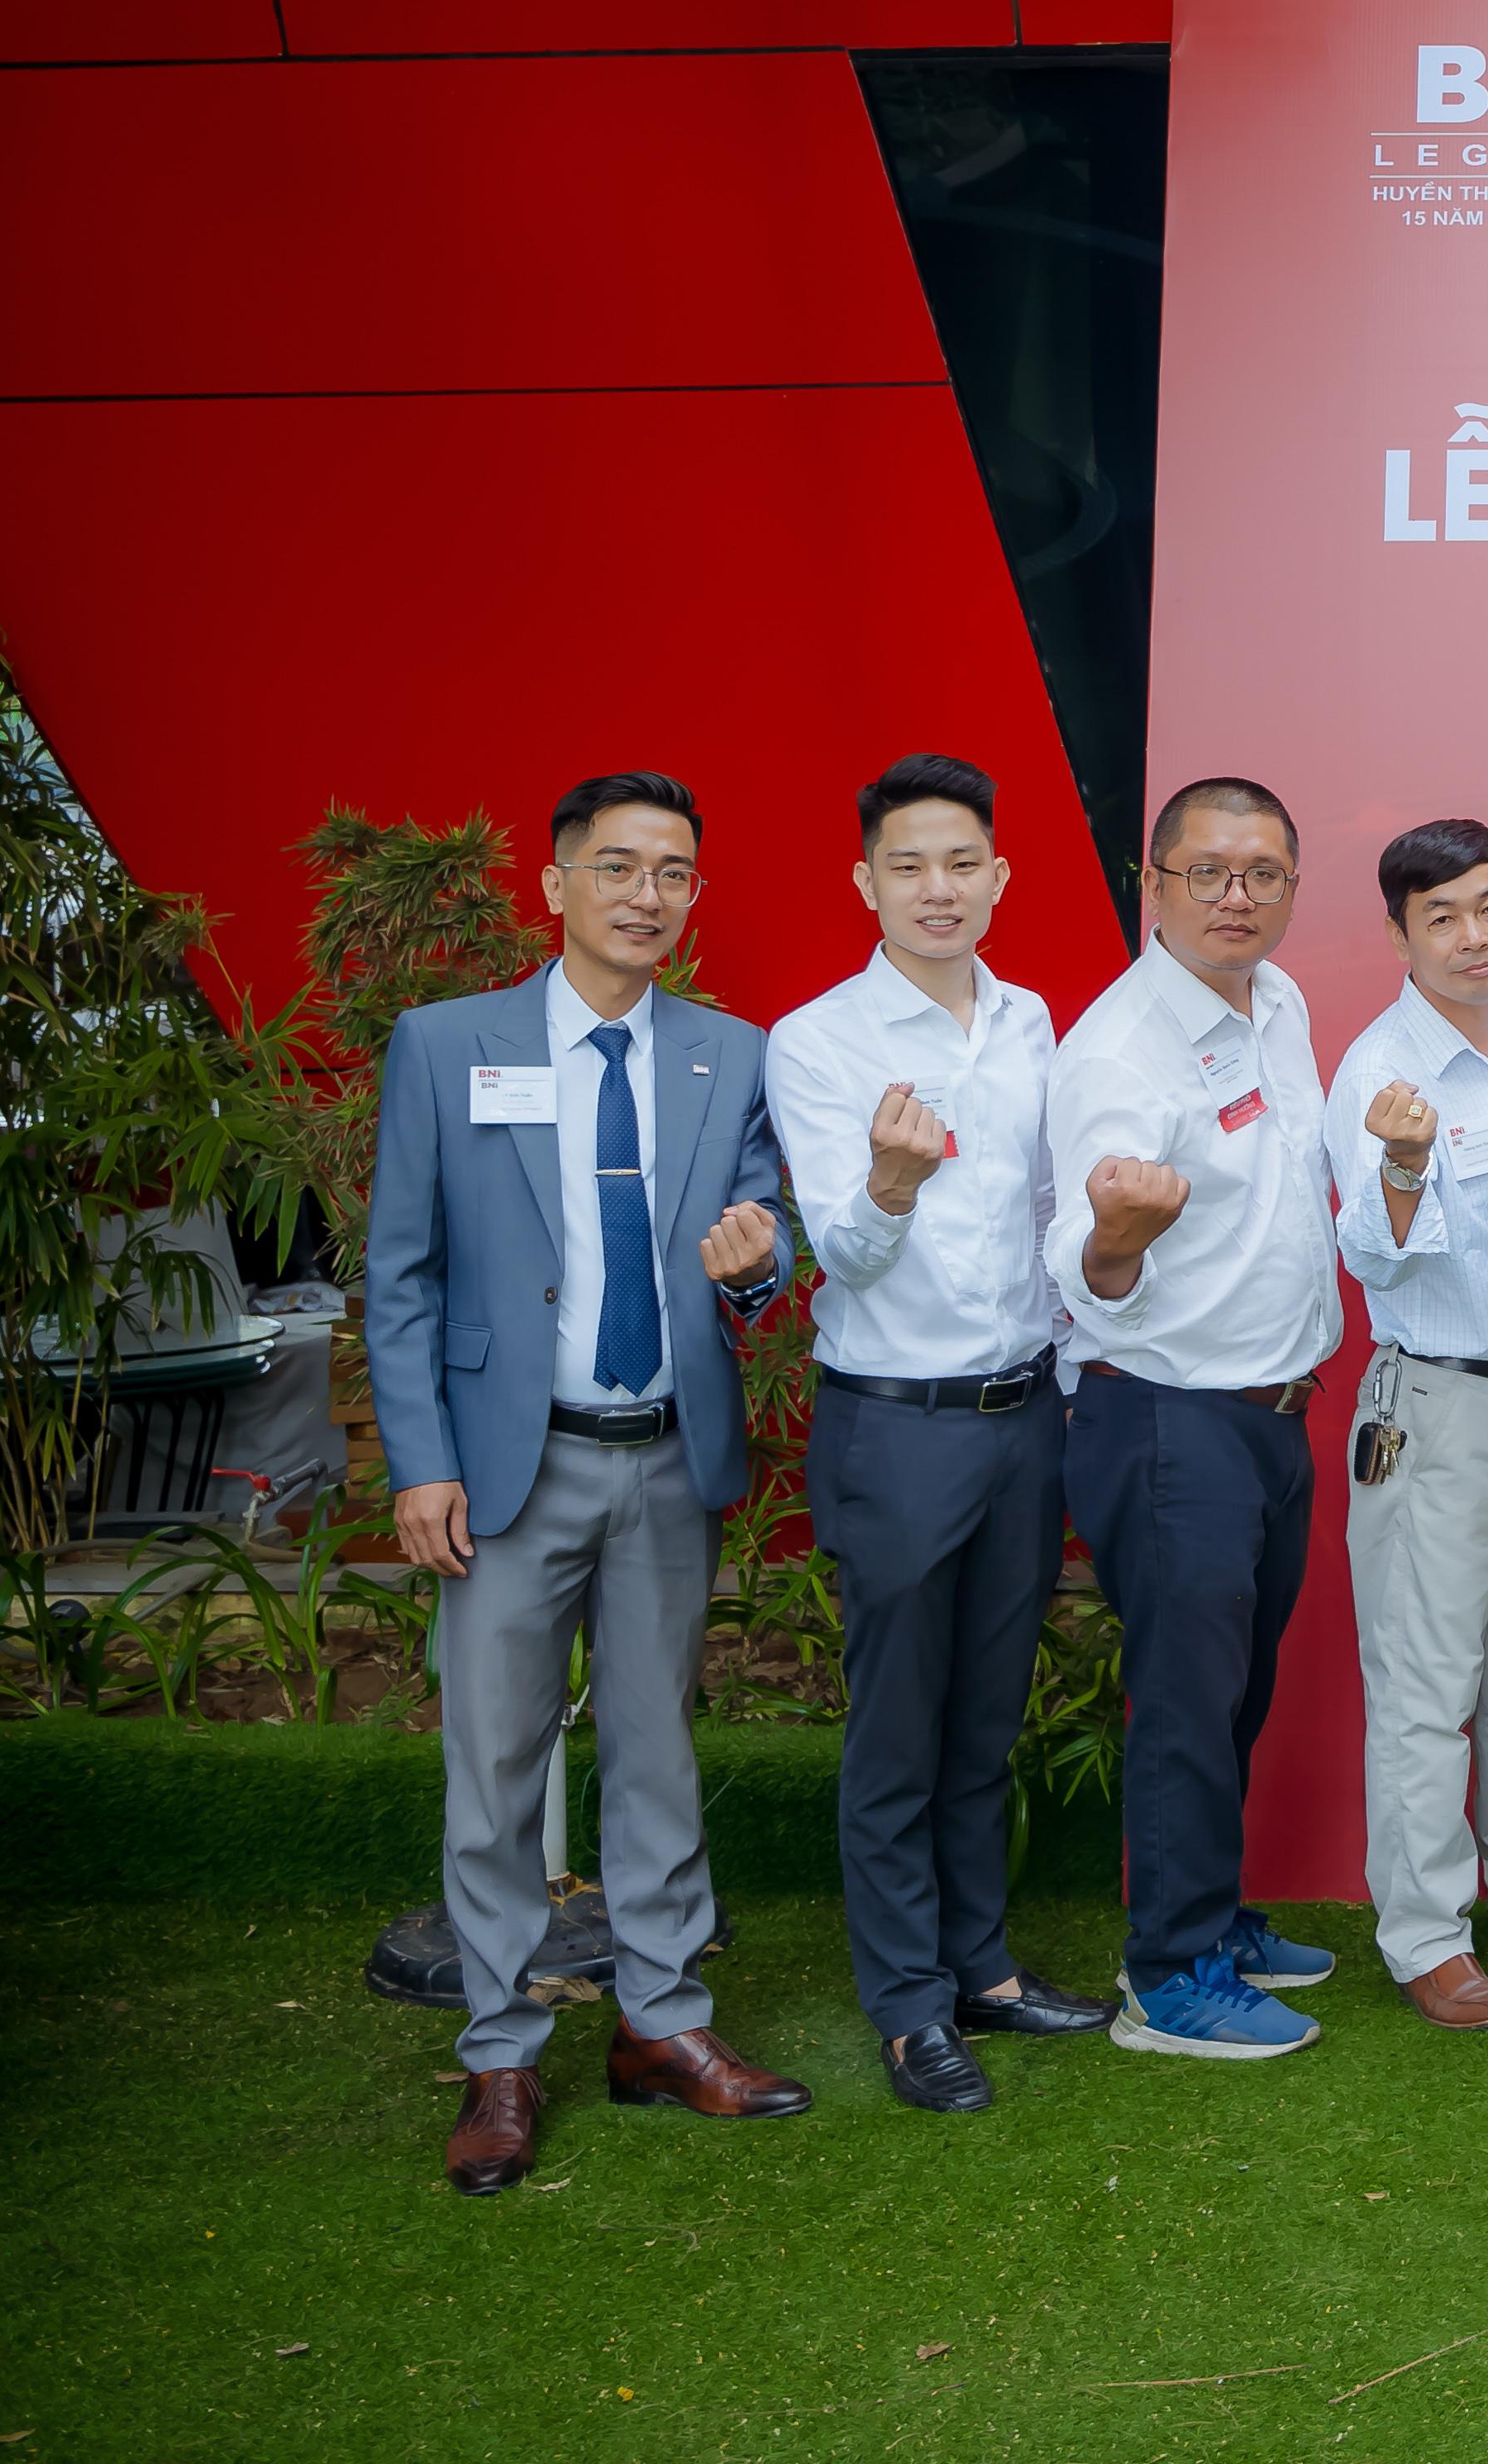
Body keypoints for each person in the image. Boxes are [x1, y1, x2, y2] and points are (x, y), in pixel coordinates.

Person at [366, 770, 800, 2191]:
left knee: (658, 1753)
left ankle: (662, 2026)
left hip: (667, 1458)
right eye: (617, 867)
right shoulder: (448, 1045)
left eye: (672, 873)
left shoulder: (729, 1055)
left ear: (695, 897)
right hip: (509, 1466)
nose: (645, 896)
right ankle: (500, 2055)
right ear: (554, 885)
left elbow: (766, 1241)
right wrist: (421, 1462)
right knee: (495, 1770)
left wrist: (757, 1265)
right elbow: (403, 1275)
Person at [769, 752, 1106, 2113]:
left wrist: (1073, 1363)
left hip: (1023, 1414)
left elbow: (1048, 1214)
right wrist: (893, 1184)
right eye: (908, 865)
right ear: (865, 883)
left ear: (999, 877)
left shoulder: (1030, 1022)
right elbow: (840, 1253)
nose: (937, 888)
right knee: (898, 1731)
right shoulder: (819, 1040)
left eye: (962, 863)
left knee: (985, 1719)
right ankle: (909, 2008)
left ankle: (983, 1970)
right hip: (898, 1427)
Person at [1048, 774, 1343, 2059]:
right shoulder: (1118, 1049)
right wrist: (1117, 1236)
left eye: (1263, 874)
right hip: (1170, 1419)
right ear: (1152, 885)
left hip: (1269, 1415)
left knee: (1232, 1694)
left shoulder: (1277, 1002)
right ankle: (1167, 1978)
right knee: (1185, 1702)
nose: (1237, 896)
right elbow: (1084, 1267)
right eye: (1208, 872)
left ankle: (1212, 1918)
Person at [1321, 817, 1488, 2032]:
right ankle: (1425, 1933)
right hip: (1436, 1403)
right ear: (1399, 934)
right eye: (1443, 919)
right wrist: (1406, 1164)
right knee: (1427, 1682)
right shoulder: (1381, 1073)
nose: (1474, 937)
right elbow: (1369, 1255)